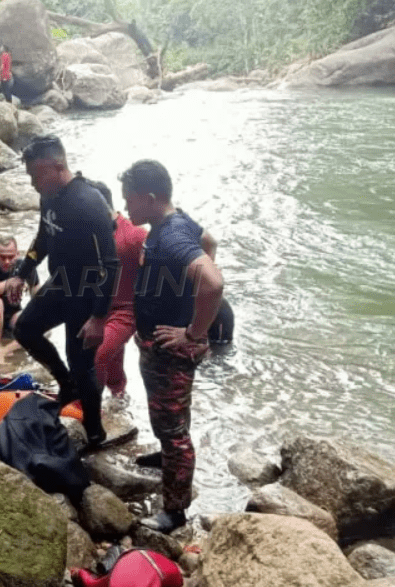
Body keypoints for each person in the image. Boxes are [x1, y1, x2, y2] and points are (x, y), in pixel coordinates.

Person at [119, 159, 224, 533]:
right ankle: (167, 457)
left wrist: (193, 333)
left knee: (175, 432)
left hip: (171, 350)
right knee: (172, 418)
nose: (126, 209)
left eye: (129, 201)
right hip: (160, 345)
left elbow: (211, 282)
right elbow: (209, 242)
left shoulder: (172, 236)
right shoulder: (175, 224)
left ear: (150, 198)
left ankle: (175, 511)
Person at [5, 135, 118, 448]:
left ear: (58, 166)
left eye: (35, 176)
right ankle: (65, 383)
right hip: (60, 284)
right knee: (25, 328)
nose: (32, 183)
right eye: (29, 176)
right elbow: (44, 237)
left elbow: (111, 264)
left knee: (81, 362)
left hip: (87, 292)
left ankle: (95, 434)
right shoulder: (48, 195)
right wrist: (21, 273)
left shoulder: (88, 202)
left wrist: (98, 318)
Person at [88, 180, 147, 402]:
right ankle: (120, 401)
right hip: (98, 308)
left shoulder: (134, 236)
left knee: (99, 354)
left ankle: (90, 408)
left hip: (126, 311)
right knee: (111, 360)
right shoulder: (91, 232)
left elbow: (162, 272)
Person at [0, 235, 38, 355]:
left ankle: (3, 351)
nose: (7, 261)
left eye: (11, 257)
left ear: (17, 254)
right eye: (2, 257)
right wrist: (10, 283)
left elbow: (38, 294)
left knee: (40, 324)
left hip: (13, 314)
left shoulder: (25, 266)